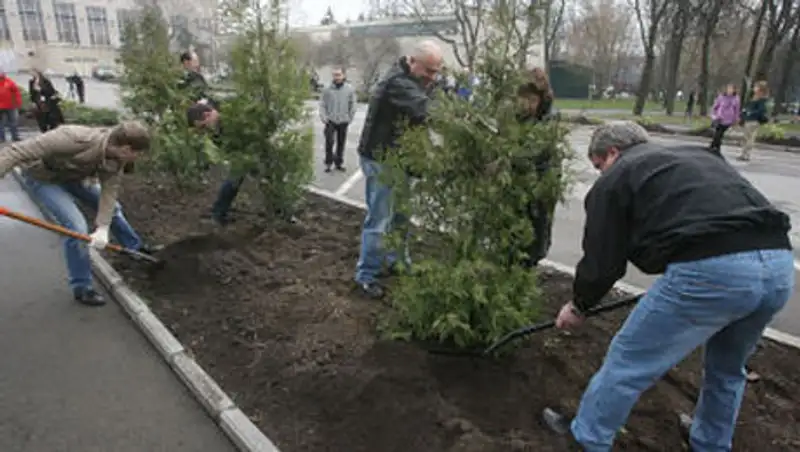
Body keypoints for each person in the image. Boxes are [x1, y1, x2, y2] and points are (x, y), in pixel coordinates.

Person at [542, 121, 794, 451]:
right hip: (777, 264)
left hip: (713, 271)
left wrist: (579, 305)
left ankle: (586, 439)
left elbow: (603, 260)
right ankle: (711, 443)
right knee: (728, 369)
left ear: (613, 153)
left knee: (629, 360)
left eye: (598, 165)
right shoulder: (698, 158)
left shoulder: (617, 178)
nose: (600, 174)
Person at [0, 122, 158, 306]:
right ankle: (82, 286)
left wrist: (103, 227)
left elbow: (109, 193)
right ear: (125, 148)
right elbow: (15, 152)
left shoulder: (116, 160)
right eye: (136, 153)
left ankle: (134, 248)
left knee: (113, 209)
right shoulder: (72, 138)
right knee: (77, 228)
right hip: (44, 179)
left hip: (72, 177)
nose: (137, 158)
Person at [354, 40, 443, 299]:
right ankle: (366, 275)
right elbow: (426, 111)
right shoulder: (398, 83)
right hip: (381, 159)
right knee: (379, 219)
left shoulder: (416, 81)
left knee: (401, 216)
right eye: (428, 70)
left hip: (401, 160)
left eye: (436, 71)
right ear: (412, 61)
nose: (432, 77)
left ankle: (397, 262)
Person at [187, 102, 296, 226]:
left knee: (270, 182)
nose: (204, 131)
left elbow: (257, 131)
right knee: (233, 182)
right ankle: (218, 215)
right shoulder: (215, 130)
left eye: (203, 127)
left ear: (207, 115)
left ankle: (285, 214)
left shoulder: (232, 117)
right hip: (243, 158)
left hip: (259, 152)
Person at [509, 74, 558, 268]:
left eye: (532, 100)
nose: (527, 104)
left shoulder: (549, 118)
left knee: (537, 227)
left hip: (540, 180)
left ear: (542, 99)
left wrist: (506, 159)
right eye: (523, 98)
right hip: (515, 182)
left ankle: (529, 266)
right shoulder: (515, 116)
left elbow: (535, 151)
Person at [319, 68, 356, 172]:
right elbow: (322, 103)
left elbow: (353, 104)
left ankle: (339, 163)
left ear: (343, 75)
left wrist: (350, 117)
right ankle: (328, 163)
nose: (337, 77)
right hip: (330, 120)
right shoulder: (327, 89)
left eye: (339, 75)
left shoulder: (349, 89)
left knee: (341, 143)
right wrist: (323, 117)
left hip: (343, 121)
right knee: (329, 142)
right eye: (335, 75)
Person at [737, 80, 770, 162]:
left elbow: (761, 110)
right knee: (746, 138)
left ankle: (746, 155)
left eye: (756, 87)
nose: (754, 88)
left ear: (760, 89)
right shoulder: (754, 97)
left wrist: (750, 112)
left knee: (750, 138)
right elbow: (748, 106)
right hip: (748, 119)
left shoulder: (761, 100)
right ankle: (743, 154)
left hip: (754, 120)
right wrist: (744, 112)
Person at [709, 83, 741, 155]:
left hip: (728, 120)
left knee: (720, 134)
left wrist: (736, 119)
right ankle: (715, 147)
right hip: (719, 118)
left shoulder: (736, 98)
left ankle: (713, 147)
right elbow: (715, 107)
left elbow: (737, 110)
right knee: (718, 134)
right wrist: (713, 116)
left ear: (734, 90)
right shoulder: (721, 97)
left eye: (731, 89)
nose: (729, 91)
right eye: (728, 89)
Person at [0, 70, 22, 142]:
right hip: (1, 107)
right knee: (1, 123)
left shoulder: (9, 82)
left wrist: (18, 102)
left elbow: (16, 92)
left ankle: (15, 136)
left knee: (13, 122)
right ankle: (1, 138)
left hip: (11, 106)